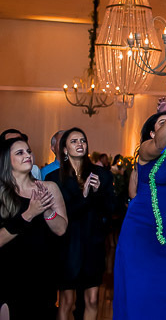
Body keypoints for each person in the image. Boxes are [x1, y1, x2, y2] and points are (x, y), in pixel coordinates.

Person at [113, 97, 166, 320]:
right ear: (152, 133)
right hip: (143, 232)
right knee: (142, 292)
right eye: (160, 123)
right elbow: (161, 145)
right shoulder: (146, 151)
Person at [46, 128, 113, 320]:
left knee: (92, 300)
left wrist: (99, 192)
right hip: (67, 246)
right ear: (64, 150)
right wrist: (84, 197)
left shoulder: (102, 175)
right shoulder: (54, 179)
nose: (79, 144)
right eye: (74, 141)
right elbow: (62, 213)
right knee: (66, 301)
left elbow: (110, 209)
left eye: (82, 140)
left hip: (93, 245)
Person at [0, 135, 67, 319]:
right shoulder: (1, 193)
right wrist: (30, 213)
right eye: (20, 152)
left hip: (42, 274)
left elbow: (61, 229)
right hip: (9, 275)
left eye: (28, 151)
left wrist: (46, 211)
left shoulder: (49, 187)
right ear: (7, 160)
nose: (28, 155)